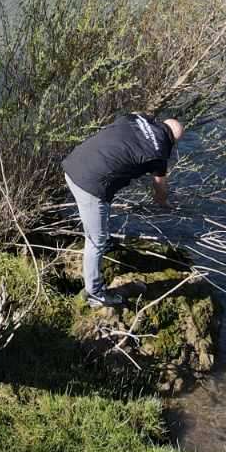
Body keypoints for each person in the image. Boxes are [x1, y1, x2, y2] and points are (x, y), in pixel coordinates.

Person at [62, 113, 185, 308]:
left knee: (104, 200)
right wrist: (165, 203)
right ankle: (94, 294)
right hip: (89, 184)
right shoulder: (160, 153)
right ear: (173, 141)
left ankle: (101, 237)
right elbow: (160, 189)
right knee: (96, 241)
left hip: (74, 163)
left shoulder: (135, 118)